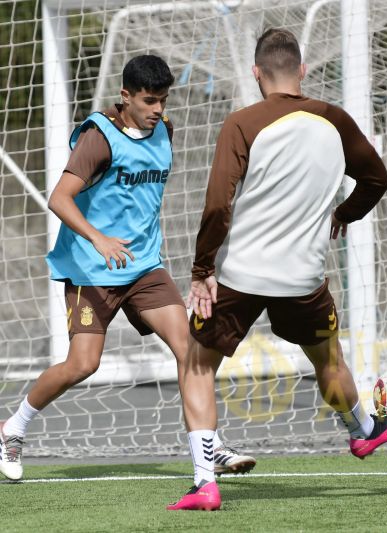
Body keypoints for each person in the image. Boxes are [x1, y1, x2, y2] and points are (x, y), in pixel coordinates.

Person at [166, 29, 387, 511]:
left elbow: (218, 204)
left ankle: (204, 482)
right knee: (329, 361)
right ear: (302, 71)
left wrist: (202, 269)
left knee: (197, 365)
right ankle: (363, 431)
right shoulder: (334, 119)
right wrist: (344, 214)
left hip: (241, 275)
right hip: (304, 278)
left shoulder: (242, 122)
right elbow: (376, 179)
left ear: (257, 73)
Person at [0, 55, 255, 481]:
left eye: (163, 100)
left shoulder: (165, 132)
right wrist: (98, 238)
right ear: (126, 97)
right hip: (92, 269)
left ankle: (209, 447)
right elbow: (59, 198)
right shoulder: (99, 139)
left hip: (143, 269)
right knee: (83, 365)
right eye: (150, 100)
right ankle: (12, 428)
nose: (158, 109)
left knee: (192, 351)